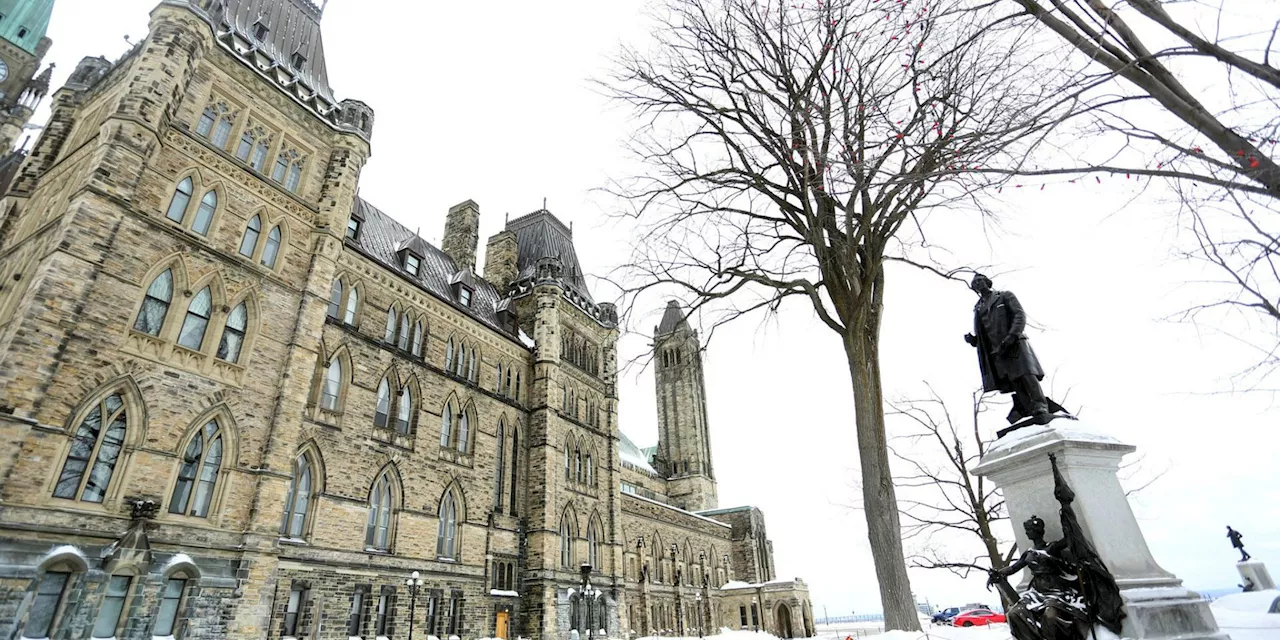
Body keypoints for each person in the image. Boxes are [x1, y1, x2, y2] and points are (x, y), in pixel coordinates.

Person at [964, 273, 1058, 425]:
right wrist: (974, 340)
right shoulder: (978, 308)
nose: (978, 284)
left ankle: (1041, 405)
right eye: (975, 283)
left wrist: (1012, 336)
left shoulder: (1004, 296)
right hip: (997, 352)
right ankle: (1028, 408)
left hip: (1014, 344)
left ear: (988, 282)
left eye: (980, 280)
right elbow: (983, 335)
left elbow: (1019, 315)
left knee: (1027, 375)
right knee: (1014, 381)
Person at [989, 516, 1091, 640]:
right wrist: (997, 573)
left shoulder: (1051, 548)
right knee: (1014, 613)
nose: (1027, 532)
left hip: (1056, 592)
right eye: (1026, 530)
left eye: (1029, 530)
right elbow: (1013, 568)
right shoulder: (1029, 553)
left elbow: (1069, 538)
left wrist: (1066, 511)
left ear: (1038, 531)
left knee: (1050, 616)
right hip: (1036, 592)